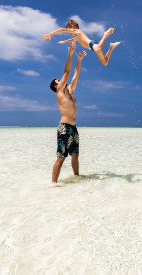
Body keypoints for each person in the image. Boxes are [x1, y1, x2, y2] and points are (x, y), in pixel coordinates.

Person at [50, 42, 87, 183]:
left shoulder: (69, 91)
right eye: (58, 81)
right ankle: (54, 184)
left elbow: (75, 75)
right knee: (61, 157)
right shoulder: (60, 91)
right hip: (64, 128)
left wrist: (79, 59)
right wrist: (70, 53)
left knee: (75, 154)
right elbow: (67, 72)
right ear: (56, 86)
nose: (61, 80)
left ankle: (76, 177)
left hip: (73, 128)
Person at [44, 19, 120, 66]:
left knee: (98, 49)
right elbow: (72, 40)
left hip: (92, 44)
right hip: (92, 47)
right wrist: (64, 41)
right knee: (105, 63)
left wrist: (50, 34)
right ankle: (111, 48)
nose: (70, 32)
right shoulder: (77, 36)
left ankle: (106, 34)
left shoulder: (77, 31)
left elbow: (61, 29)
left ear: (73, 26)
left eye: (69, 30)